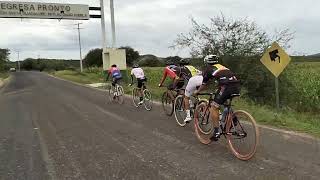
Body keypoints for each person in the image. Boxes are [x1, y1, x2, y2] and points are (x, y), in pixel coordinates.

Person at [192, 55, 240, 141]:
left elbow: (204, 84)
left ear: (207, 62)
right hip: (236, 86)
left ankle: (216, 132)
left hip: (226, 86)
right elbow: (224, 78)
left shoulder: (208, 69)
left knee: (214, 107)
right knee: (224, 102)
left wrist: (197, 91)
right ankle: (233, 118)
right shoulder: (222, 67)